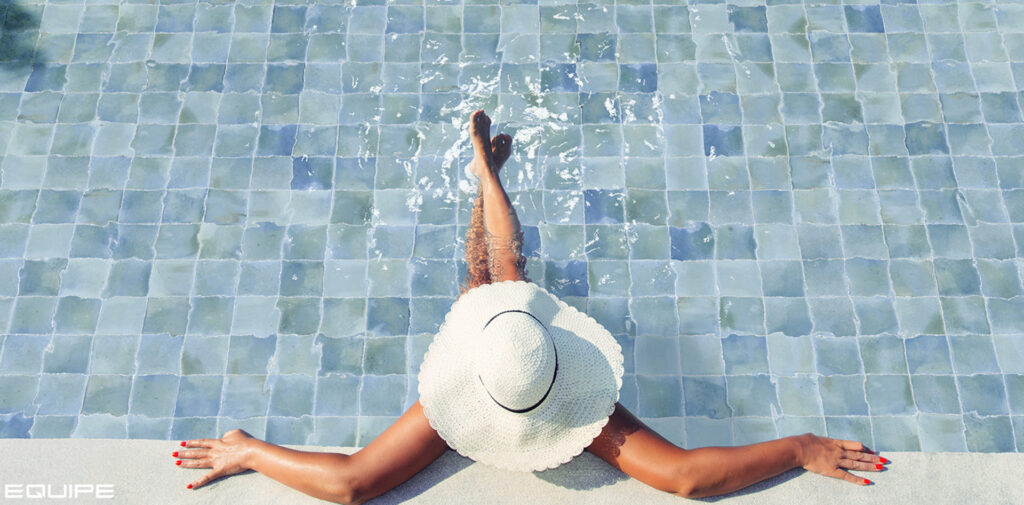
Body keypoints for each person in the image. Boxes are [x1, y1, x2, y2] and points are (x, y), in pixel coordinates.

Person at [171, 110, 889, 504]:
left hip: (501, 355)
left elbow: (353, 483)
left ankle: (487, 178)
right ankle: (487, 177)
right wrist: (798, 446)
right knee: (493, 273)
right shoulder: (584, 415)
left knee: (490, 271)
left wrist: (253, 450)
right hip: (496, 362)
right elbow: (685, 477)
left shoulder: (494, 361)